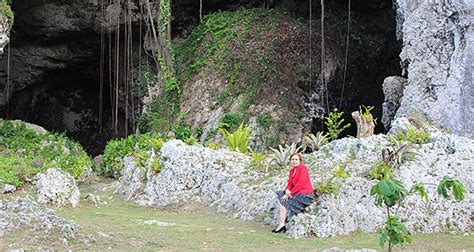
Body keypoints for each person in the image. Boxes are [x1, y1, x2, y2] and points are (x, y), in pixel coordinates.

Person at [272, 153, 314, 233]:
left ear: (300, 161)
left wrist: (289, 193)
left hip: (304, 194)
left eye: (296, 159)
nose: (294, 161)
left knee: (283, 201)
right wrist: (287, 190)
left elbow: (300, 184)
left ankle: (282, 224)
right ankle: (282, 224)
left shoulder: (303, 168)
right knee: (280, 193)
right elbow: (289, 184)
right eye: (292, 159)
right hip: (296, 192)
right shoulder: (292, 171)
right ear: (290, 161)